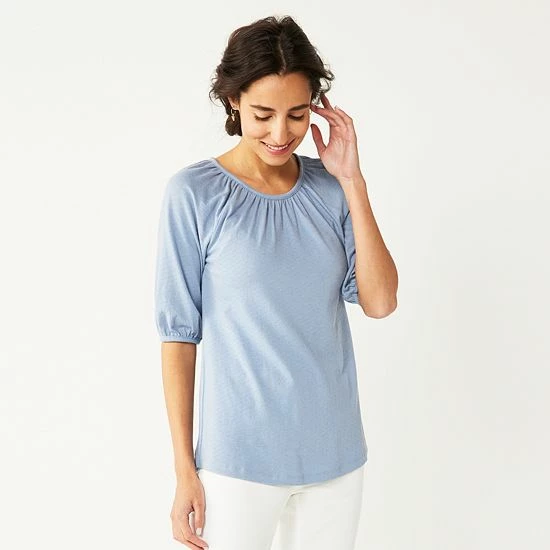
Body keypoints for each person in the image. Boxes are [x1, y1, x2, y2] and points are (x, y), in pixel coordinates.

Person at [154, 14, 398, 550]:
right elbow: (178, 337)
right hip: (236, 465)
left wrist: (352, 180)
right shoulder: (194, 195)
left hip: (335, 460)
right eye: (263, 115)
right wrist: (184, 469)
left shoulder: (332, 190)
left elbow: (380, 301)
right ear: (233, 101)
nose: (281, 134)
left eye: (297, 114)